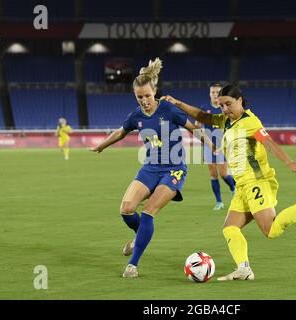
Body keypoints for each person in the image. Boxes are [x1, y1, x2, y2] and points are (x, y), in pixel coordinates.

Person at [161, 85, 296, 281]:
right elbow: (204, 117)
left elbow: (268, 142)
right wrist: (178, 103)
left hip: (257, 181)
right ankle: (243, 269)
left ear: (240, 100)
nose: (225, 109)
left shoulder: (251, 122)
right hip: (242, 185)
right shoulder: (227, 121)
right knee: (230, 228)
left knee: (271, 230)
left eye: (229, 104)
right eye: (222, 106)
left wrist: (289, 161)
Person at [89, 58, 210, 278]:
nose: (144, 101)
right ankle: (140, 237)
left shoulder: (169, 110)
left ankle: (133, 265)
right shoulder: (136, 116)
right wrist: (101, 146)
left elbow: (194, 128)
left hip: (174, 169)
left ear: (154, 92)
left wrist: (212, 145)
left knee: (147, 213)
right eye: (139, 97)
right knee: (126, 210)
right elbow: (121, 132)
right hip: (150, 168)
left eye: (147, 96)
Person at [196, 83, 235, 211]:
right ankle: (219, 202)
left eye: (217, 92)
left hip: (222, 145)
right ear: (209, 94)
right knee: (213, 174)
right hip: (208, 145)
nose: (214, 94)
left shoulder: (225, 108)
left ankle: (234, 188)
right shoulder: (204, 108)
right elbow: (196, 126)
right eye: (212, 92)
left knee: (223, 174)